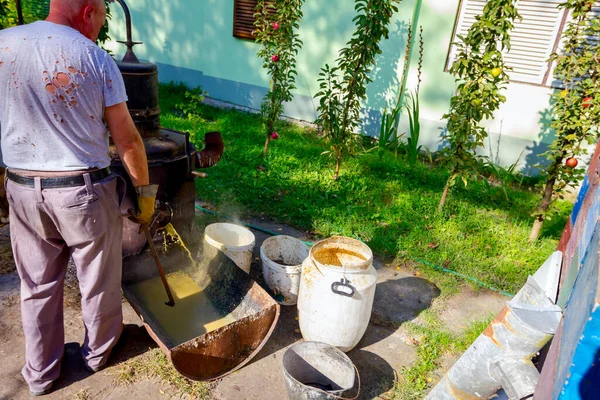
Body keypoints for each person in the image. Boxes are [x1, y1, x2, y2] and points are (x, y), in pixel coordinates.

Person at [0, 0, 156, 395]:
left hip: (21, 186)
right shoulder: (93, 57)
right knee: (98, 278)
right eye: (102, 16)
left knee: (36, 284)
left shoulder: (3, 43)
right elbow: (127, 139)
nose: (100, 25)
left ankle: (41, 373)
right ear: (89, 12)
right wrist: (144, 194)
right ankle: (97, 355)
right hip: (81, 193)